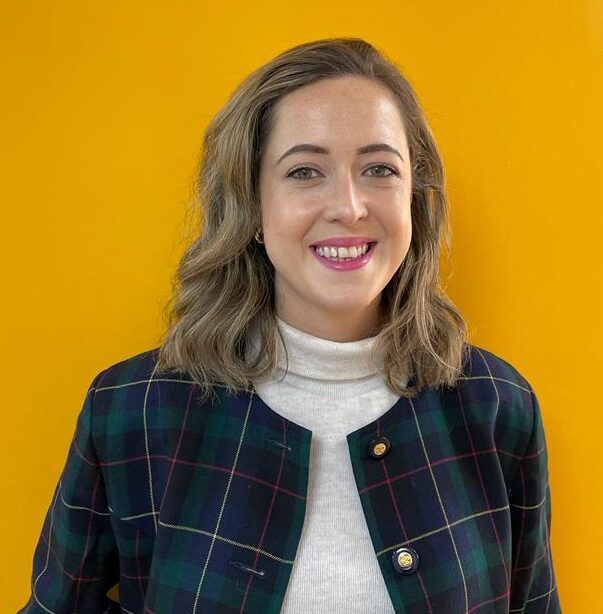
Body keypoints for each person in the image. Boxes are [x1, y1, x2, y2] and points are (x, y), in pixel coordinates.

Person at [19, 38, 560, 613]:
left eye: (379, 169)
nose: (349, 206)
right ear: (253, 205)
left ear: (414, 198)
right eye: (305, 171)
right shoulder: (132, 411)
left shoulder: (498, 408)